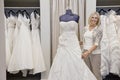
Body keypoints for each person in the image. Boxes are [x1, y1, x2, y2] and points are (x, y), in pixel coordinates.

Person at [48, 9, 97, 80]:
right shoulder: (61, 17)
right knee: (61, 60)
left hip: (73, 42)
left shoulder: (76, 16)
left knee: (76, 61)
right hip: (63, 42)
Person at [81, 12, 102, 80]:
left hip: (95, 53)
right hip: (85, 51)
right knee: (88, 72)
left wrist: (87, 52)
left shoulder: (99, 30)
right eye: (93, 17)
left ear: (98, 20)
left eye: (96, 18)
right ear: (90, 18)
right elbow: (84, 41)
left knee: (96, 72)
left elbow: (96, 44)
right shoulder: (85, 28)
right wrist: (77, 42)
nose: (94, 19)